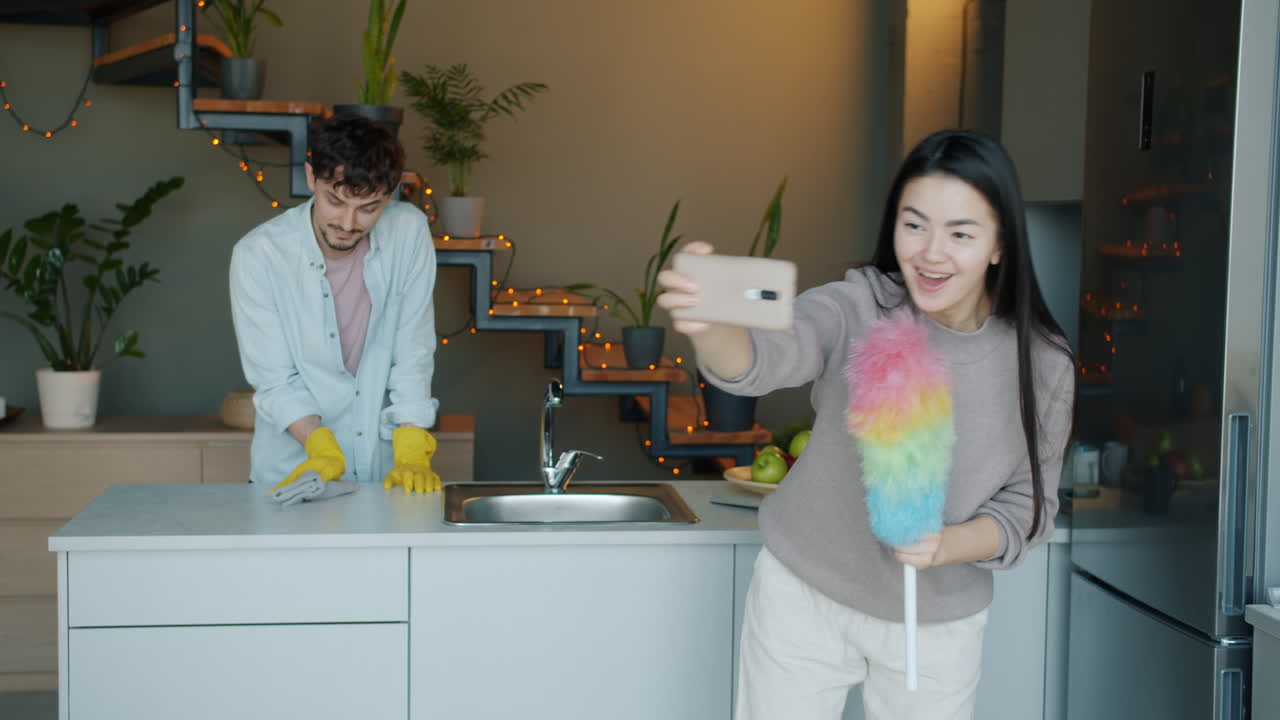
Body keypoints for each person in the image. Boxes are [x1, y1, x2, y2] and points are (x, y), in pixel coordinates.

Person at [657, 130, 1074, 720]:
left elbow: (1030, 508)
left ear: (1000, 245)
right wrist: (708, 324)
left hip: (935, 624)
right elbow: (762, 359)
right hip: (803, 592)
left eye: (960, 234)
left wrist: (946, 545)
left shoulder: (1044, 365)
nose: (931, 253)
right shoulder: (859, 307)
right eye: (915, 224)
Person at [229, 112, 441, 498]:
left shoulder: (408, 232)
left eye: (369, 208)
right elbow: (275, 380)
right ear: (311, 176)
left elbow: (413, 350)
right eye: (335, 201)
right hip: (292, 474)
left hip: (383, 474)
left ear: (391, 193)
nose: (348, 222)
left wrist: (411, 446)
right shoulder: (259, 255)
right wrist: (319, 445)